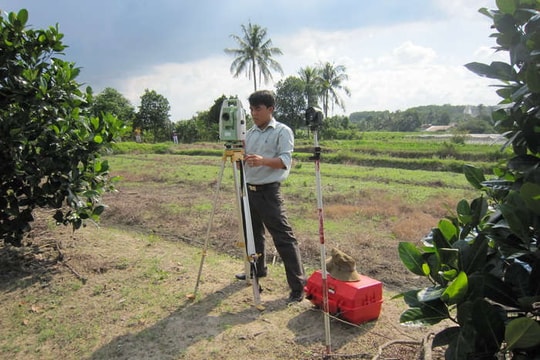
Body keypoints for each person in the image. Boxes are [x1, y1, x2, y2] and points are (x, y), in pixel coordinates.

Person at [236, 90, 306, 304]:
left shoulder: (282, 131)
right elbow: (242, 161)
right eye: (251, 109)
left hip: (269, 192)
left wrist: (263, 161)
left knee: (283, 238)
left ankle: (298, 286)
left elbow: (285, 160)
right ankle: (257, 270)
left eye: (257, 109)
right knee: (252, 235)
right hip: (249, 190)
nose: (253, 113)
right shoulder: (249, 133)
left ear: (270, 109)